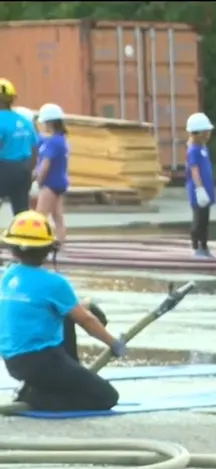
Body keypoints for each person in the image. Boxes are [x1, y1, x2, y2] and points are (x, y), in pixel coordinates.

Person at [0, 211, 124, 412]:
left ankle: (50, 382)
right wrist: (114, 344)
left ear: (12, 250)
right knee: (106, 397)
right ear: (49, 249)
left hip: (14, 362)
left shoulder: (9, 275)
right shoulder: (54, 283)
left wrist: (86, 304)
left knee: (67, 315)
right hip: (42, 361)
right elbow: (86, 321)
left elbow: (47, 305)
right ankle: (35, 397)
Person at [33, 103, 71, 244]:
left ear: (50, 122)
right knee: (57, 216)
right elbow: (40, 138)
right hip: (60, 182)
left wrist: (38, 181)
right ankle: (61, 243)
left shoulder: (53, 143)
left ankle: (37, 243)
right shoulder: (60, 140)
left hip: (50, 183)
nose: (44, 125)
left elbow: (45, 166)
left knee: (39, 216)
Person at [0, 79, 38, 217]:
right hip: (23, 171)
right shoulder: (24, 121)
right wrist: (30, 171)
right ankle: (22, 235)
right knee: (21, 212)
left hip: (3, 169)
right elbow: (35, 148)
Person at [184, 112, 216, 259]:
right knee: (198, 220)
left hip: (206, 189)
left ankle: (204, 246)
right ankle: (196, 247)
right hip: (198, 190)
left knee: (205, 220)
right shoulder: (193, 150)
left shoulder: (203, 148)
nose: (208, 134)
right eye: (206, 132)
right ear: (198, 133)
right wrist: (199, 188)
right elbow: (194, 169)